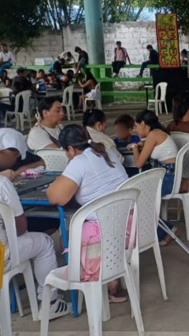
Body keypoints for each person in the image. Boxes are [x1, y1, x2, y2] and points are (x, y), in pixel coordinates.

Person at [47, 124, 129, 303]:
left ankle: (100, 279)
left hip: (103, 230)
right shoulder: (105, 152)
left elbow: (56, 197)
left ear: (70, 149)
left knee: (65, 238)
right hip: (127, 225)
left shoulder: (79, 161)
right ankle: (112, 274)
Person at [0, 171, 72, 319]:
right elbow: (20, 227)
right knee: (45, 242)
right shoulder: (2, 183)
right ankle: (50, 303)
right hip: (3, 257)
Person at [130, 110, 180, 196]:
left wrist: (134, 146)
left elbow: (139, 164)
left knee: (138, 193)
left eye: (136, 126)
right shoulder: (157, 133)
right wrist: (142, 144)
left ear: (142, 124)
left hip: (169, 178)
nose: (136, 130)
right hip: (171, 174)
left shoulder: (153, 135)